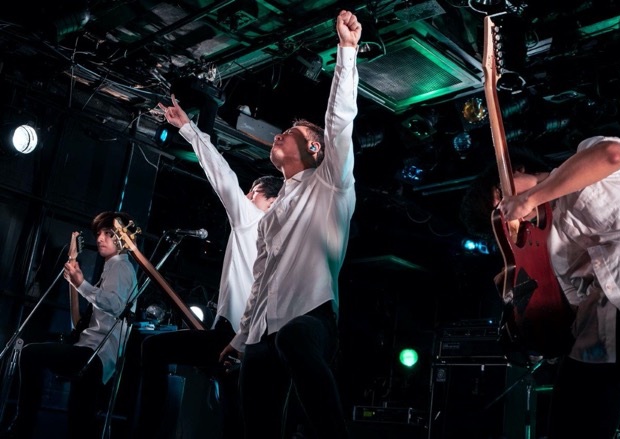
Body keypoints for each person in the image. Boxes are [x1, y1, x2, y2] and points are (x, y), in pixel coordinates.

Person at [218, 9, 361, 439]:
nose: (278, 134)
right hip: (265, 330)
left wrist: (347, 51)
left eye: (290, 132)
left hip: (313, 319)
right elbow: (260, 282)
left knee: (293, 340)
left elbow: (339, 123)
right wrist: (240, 339)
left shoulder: (330, 184)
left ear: (313, 148)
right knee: (254, 407)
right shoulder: (271, 216)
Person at [460, 136, 620, 438]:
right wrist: (522, 310)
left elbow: (612, 155)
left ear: (517, 171)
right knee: (569, 407)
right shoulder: (547, 247)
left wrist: (533, 194)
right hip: (606, 330)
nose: (508, 213)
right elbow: (561, 318)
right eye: (500, 216)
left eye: (502, 199)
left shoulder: (584, 160)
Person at [129, 94, 283, 439]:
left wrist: (188, 128)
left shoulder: (252, 220)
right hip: (251, 341)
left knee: (154, 348)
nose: (246, 198)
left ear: (271, 203)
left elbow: (222, 176)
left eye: (254, 193)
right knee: (235, 417)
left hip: (234, 336)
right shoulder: (279, 241)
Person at [0, 211, 138, 439]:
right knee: (79, 423)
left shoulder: (120, 267)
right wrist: (74, 283)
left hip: (96, 356)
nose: (100, 238)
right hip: (89, 353)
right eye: (98, 234)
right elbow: (79, 324)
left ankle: (22, 427)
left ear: (123, 238)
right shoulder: (111, 269)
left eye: (108, 233)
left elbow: (115, 305)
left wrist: (82, 284)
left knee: (31, 354)